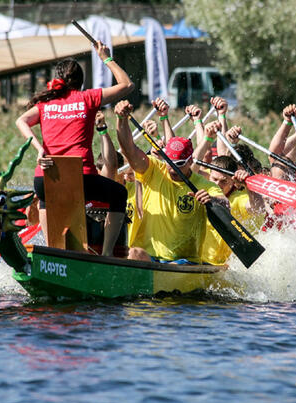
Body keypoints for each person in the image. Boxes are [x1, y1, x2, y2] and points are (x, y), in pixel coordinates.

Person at [15, 42, 134, 256]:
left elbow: (21, 121)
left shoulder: (44, 105)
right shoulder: (87, 98)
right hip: (81, 178)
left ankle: (53, 252)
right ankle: (106, 255)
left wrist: (39, 149)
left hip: (45, 178)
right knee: (119, 193)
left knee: (45, 199)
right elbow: (126, 85)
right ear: (81, 81)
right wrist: (105, 57)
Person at [114, 100, 227, 264]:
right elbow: (129, 150)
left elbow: (225, 204)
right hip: (149, 257)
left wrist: (213, 201)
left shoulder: (205, 185)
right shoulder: (154, 169)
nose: (173, 169)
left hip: (184, 261)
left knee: (174, 265)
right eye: (170, 164)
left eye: (179, 165)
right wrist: (121, 119)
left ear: (191, 161)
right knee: (133, 253)